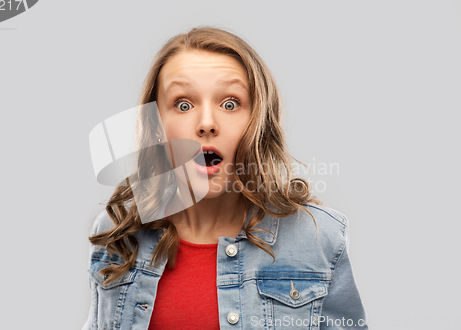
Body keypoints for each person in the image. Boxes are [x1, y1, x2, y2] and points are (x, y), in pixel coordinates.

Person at [82, 26, 368, 330]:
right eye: (183, 104)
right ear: (156, 127)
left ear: (257, 122)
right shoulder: (117, 232)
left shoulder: (319, 237)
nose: (206, 123)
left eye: (230, 104)